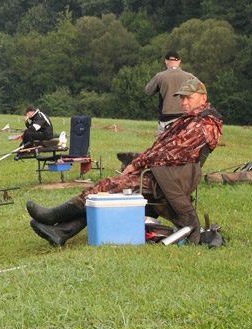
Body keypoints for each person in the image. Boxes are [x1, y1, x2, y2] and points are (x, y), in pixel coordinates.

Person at [26, 79, 223, 247]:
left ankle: (54, 217)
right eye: (181, 97)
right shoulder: (190, 120)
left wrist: (136, 165)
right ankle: (61, 232)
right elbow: (159, 149)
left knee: (107, 186)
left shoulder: (204, 125)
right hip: (162, 174)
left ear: (203, 98)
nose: (184, 102)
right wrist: (140, 162)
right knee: (108, 190)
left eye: (189, 98)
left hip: (170, 180)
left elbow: (170, 152)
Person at [145, 50, 196, 136]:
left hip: (166, 117)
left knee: (163, 145)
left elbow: (148, 91)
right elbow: (200, 90)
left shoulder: (160, 76)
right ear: (179, 62)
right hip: (185, 116)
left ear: (166, 62)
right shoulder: (189, 76)